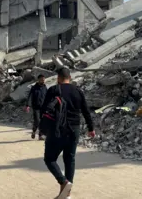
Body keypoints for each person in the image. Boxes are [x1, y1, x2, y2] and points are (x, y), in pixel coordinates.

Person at [43, 67, 95, 199]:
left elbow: (44, 109)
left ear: (58, 78)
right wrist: (91, 128)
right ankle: (66, 194)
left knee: (49, 159)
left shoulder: (53, 90)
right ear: (69, 78)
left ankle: (64, 182)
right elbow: (86, 111)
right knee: (69, 159)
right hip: (74, 129)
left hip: (58, 130)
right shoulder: (78, 91)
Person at [25, 74, 48, 140]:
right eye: (41, 80)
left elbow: (47, 97)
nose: (43, 81)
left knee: (42, 121)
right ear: (38, 80)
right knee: (37, 121)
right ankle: (34, 131)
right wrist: (28, 105)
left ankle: (40, 135)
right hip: (36, 107)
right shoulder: (34, 87)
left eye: (44, 80)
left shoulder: (45, 87)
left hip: (43, 108)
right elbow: (29, 97)